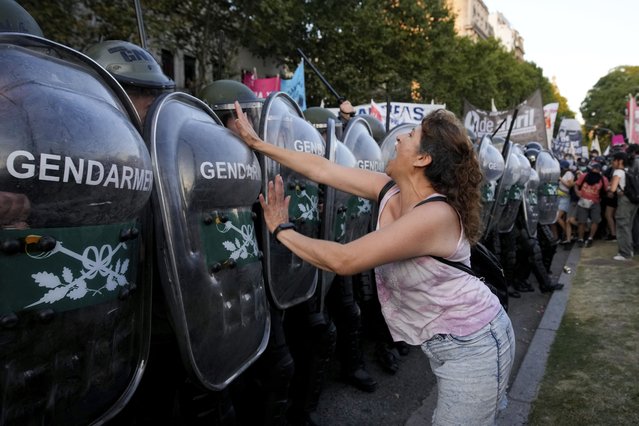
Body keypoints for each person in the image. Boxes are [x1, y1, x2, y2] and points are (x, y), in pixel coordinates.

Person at [233, 102, 515, 425]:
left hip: (475, 345)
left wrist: (281, 229)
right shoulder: (389, 190)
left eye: (409, 135)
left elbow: (345, 259)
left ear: (423, 158)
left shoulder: (435, 216)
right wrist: (259, 144)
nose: (397, 140)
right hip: (452, 345)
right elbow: (323, 170)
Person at [609, 151, 638, 261]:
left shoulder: (618, 172)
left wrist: (610, 188)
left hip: (624, 201)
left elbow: (612, 189)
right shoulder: (628, 170)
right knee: (628, 226)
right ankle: (629, 250)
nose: (612, 162)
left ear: (619, 161)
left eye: (614, 160)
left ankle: (624, 253)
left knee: (622, 225)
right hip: (633, 201)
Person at [574, 161, 609, 248]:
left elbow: (607, 189)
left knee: (595, 220)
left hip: (595, 203)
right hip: (583, 202)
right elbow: (576, 184)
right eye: (594, 169)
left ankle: (590, 238)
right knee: (581, 221)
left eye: (597, 170)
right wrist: (577, 192)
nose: (595, 171)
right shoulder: (584, 176)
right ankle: (580, 239)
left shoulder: (603, 179)